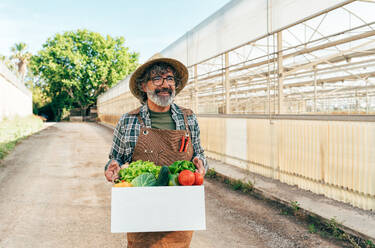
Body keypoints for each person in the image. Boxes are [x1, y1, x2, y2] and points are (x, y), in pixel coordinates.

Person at [104, 54, 207, 248]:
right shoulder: (128, 121)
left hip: (179, 211)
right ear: (144, 86)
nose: (165, 84)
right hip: (141, 211)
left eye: (169, 79)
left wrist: (201, 163)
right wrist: (112, 166)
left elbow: (199, 154)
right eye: (157, 79)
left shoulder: (188, 118)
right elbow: (115, 158)